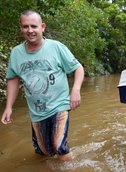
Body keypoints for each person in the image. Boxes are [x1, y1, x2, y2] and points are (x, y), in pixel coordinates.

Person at [1, 10, 84, 161]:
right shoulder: (16, 53)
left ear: (42, 27)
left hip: (59, 105)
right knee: (43, 152)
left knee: (60, 147)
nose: (30, 30)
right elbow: (13, 79)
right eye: (26, 27)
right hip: (36, 112)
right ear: (21, 28)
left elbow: (78, 68)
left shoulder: (56, 47)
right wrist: (8, 107)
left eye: (34, 26)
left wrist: (76, 90)